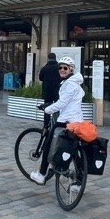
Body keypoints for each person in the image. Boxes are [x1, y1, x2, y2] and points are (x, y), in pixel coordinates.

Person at [30, 56, 84, 186]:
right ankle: (79, 182)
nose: (62, 70)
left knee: (48, 144)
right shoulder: (73, 82)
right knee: (74, 150)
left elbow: (62, 103)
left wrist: (47, 110)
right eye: (60, 67)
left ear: (71, 69)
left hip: (66, 120)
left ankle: (41, 175)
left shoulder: (70, 84)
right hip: (76, 121)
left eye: (65, 68)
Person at [38, 52, 61, 129]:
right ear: (55, 58)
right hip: (57, 91)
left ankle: (46, 125)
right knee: (58, 107)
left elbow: (40, 78)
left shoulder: (44, 68)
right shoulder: (59, 67)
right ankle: (57, 123)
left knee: (47, 108)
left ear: (48, 58)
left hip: (47, 91)